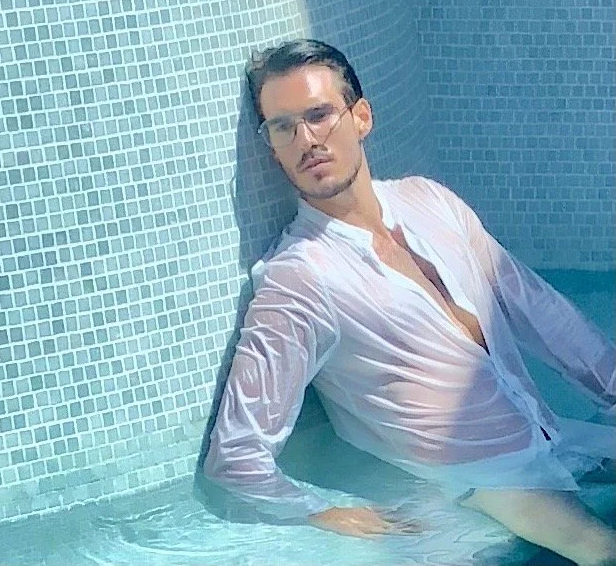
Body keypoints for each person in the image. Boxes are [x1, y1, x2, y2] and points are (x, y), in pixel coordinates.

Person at [203, 39, 616, 565]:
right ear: (273, 149)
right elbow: (236, 457)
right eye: (283, 127)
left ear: (361, 117)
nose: (306, 139)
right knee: (605, 551)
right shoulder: (300, 279)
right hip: (479, 481)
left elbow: (537, 309)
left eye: (319, 115)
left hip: (554, 438)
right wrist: (320, 512)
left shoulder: (429, 201)